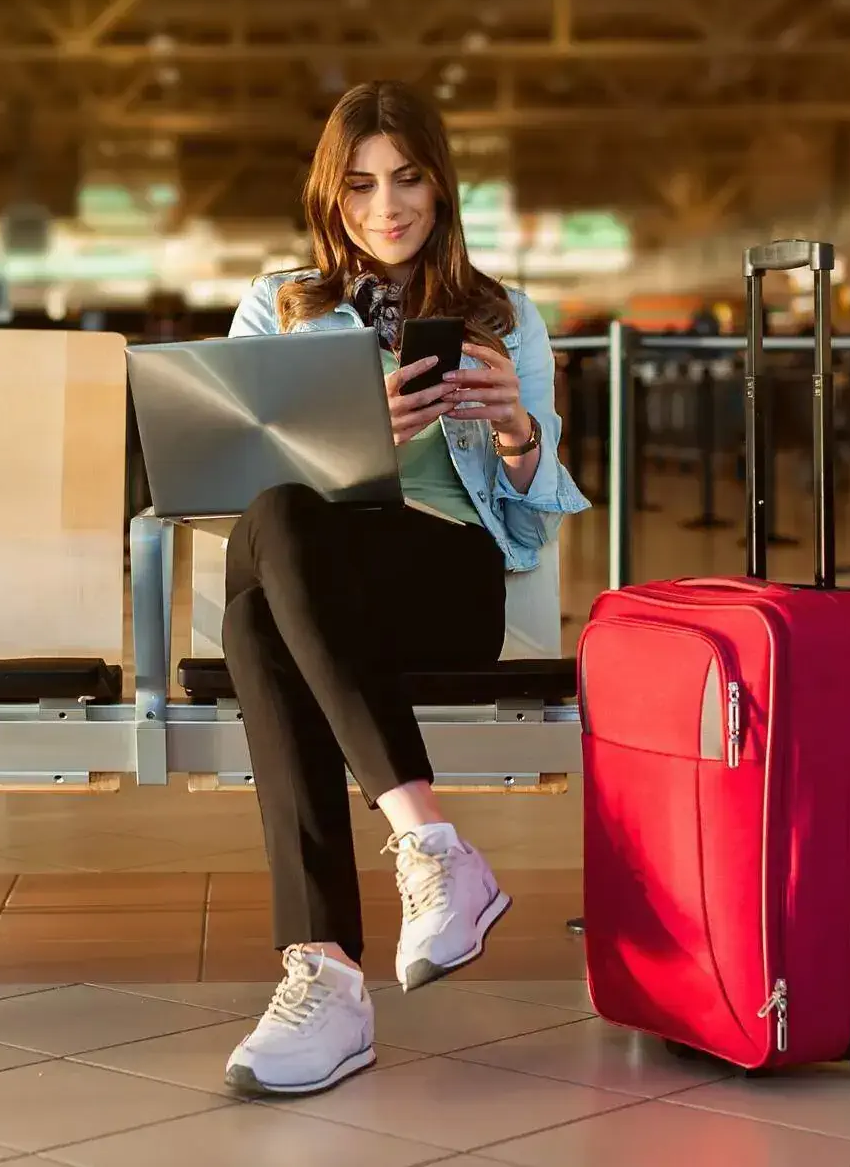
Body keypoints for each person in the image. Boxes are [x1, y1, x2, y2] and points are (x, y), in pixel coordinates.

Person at [219, 80, 587, 1097]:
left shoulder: (501, 314)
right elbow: (240, 481)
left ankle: (325, 971)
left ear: (441, 184)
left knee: (264, 596)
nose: (388, 208)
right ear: (329, 194)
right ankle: (411, 868)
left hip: (446, 574)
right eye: (363, 185)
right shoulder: (278, 304)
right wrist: (352, 447)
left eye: (409, 179)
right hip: (321, 574)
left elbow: (530, 507)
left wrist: (516, 432)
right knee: (276, 537)